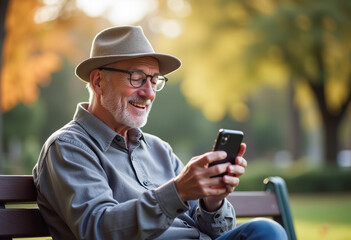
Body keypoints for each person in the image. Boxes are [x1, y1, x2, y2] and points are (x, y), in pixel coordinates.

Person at [33, 26, 287, 240]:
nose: (149, 92)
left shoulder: (158, 149)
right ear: (98, 81)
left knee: (264, 230)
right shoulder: (68, 147)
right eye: (137, 77)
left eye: (154, 81)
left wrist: (213, 202)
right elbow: (98, 229)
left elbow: (218, 231)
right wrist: (176, 191)